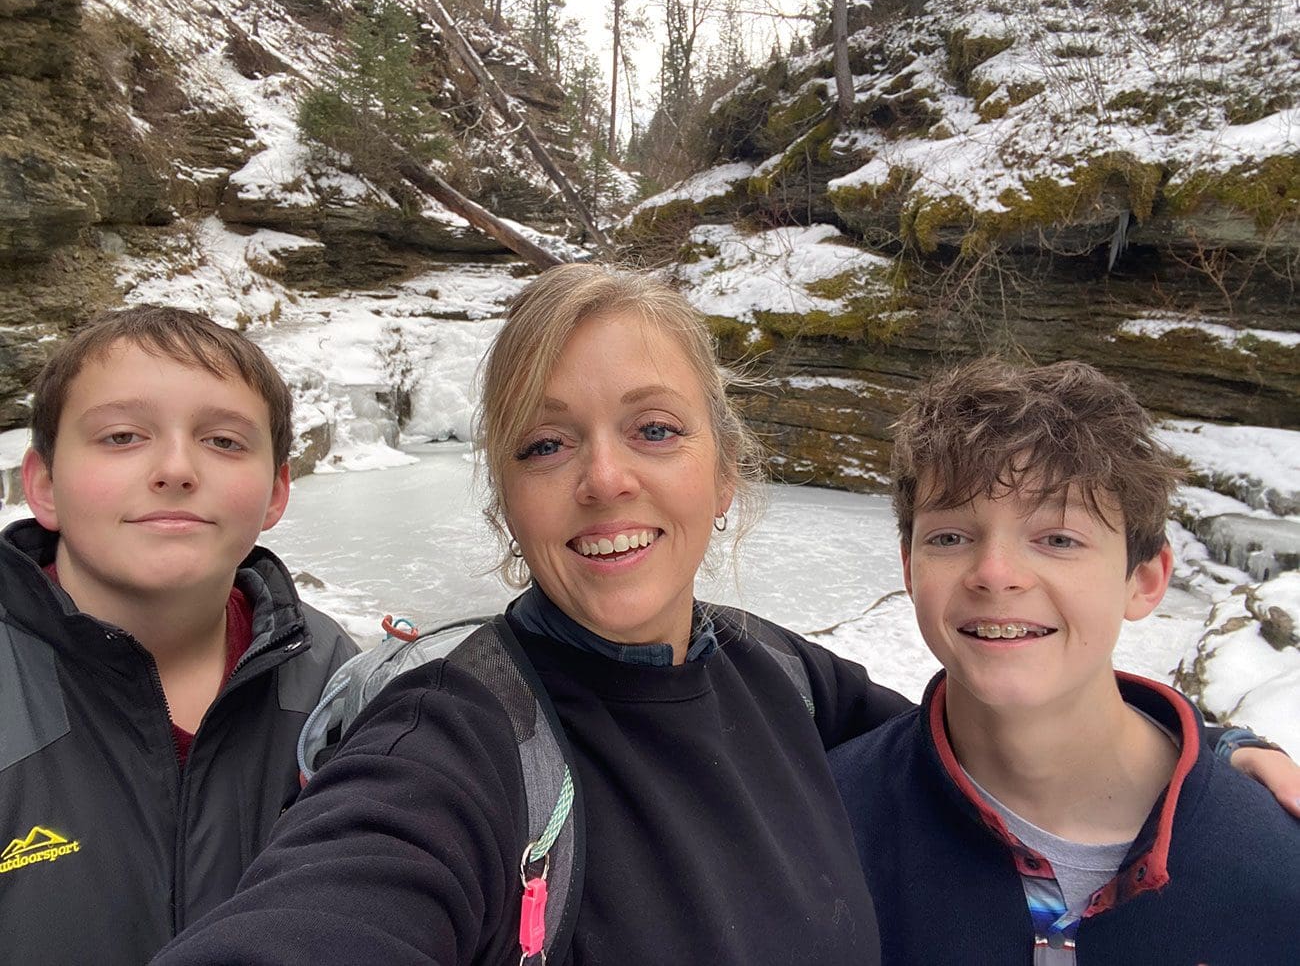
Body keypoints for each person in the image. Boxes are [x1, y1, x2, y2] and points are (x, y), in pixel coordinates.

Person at [153, 269, 1297, 966]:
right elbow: (343, 899)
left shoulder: (780, 682)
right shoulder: (454, 740)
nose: (604, 480)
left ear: (724, 470)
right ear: (507, 492)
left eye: (653, 430)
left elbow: (1005, 732)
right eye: (548, 445)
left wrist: (1212, 759)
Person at [829, 359, 1300, 965]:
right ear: (908, 568)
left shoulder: (1272, 866)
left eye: (1058, 539)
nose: (995, 573)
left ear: (1146, 579)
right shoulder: (824, 830)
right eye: (950, 536)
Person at [0, 305, 358, 965]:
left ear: (277, 491)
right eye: (121, 437)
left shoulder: (338, 680)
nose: (175, 468)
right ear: (44, 485)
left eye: (223, 441)